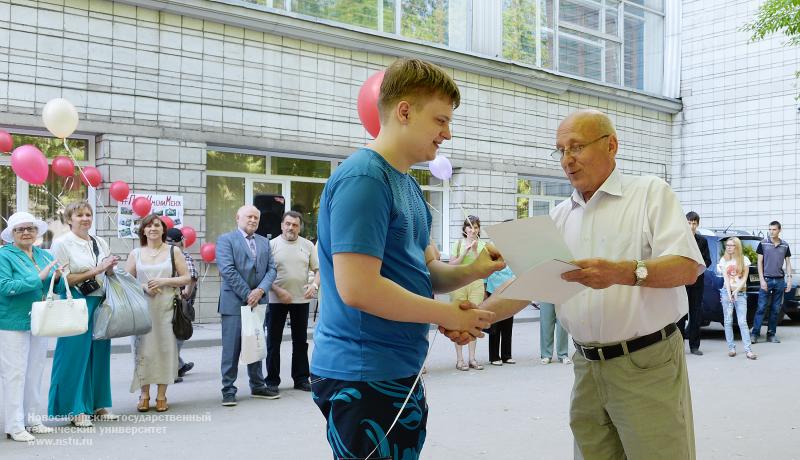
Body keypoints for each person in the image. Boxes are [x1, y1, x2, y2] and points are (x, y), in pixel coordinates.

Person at [470, 110, 706, 459]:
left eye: (576, 147)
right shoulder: (561, 215)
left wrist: (622, 272)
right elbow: (529, 285)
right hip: (586, 367)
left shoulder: (649, 193)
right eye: (560, 150)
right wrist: (472, 317)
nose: (567, 160)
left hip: (646, 363)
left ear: (611, 145)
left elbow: (687, 268)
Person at [310, 58, 501, 460]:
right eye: (441, 120)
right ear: (404, 111)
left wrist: (475, 269)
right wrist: (447, 315)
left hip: (395, 367)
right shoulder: (364, 178)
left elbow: (426, 270)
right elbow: (358, 288)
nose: (447, 134)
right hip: (363, 373)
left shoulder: (408, 186)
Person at [49, 200, 120, 427]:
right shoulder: (61, 244)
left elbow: (109, 273)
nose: (85, 218)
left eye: (88, 214)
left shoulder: (100, 241)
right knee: (73, 356)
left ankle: (98, 405)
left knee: (100, 355)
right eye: (79, 215)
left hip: (100, 301)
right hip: (76, 302)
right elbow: (60, 280)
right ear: (69, 219)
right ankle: (75, 408)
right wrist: (96, 270)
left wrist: (109, 268)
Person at [0, 212, 61, 441]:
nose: (26, 232)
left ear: (37, 231)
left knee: (35, 372)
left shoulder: (43, 254)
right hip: (12, 321)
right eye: (20, 229)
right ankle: (15, 426)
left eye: (30, 228)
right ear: (12, 234)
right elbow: (4, 286)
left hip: (40, 319)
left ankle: (33, 419)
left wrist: (55, 278)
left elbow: (49, 283)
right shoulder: (4, 255)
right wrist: (39, 277)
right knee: (14, 373)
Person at [125, 215, 191, 412]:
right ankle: (144, 395)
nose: (153, 228)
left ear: (163, 230)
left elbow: (186, 278)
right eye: (148, 226)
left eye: (157, 225)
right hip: (142, 308)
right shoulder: (135, 253)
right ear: (143, 231)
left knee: (165, 350)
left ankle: (162, 395)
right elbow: (126, 282)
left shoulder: (174, 251)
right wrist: (144, 286)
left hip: (166, 308)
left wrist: (164, 281)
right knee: (143, 350)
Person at [216, 205, 279, 406]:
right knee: (231, 348)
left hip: (258, 301)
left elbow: (272, 269)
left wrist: (260, 291)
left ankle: (258, 386)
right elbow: (227, 269)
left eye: (256, 218)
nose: (253, 220)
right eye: (249, 216)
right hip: (234, 302)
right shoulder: (226, 240)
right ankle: (228, 389)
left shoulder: (264, 242)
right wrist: (247, 294)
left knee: (255, 344)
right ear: (238, 218)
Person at [266, 211, 319, 393]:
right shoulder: (271, 245)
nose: (291, 228)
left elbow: (318, 270)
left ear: (299, 227)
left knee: (300, 341)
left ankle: (301, 379)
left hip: (301, 300)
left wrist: (314, 285)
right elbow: (264, 274)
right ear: (282, 225)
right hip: (276, 300)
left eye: (295, 225)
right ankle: (272, 381)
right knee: (273, 342)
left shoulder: (307, 245)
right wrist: (277, 291)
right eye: (288, 224)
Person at [449, 215, 486, 371]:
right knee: (459, 322)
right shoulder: (457, 244)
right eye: (470, 227)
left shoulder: (483, 244)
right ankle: (460, 360)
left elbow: (483, 268)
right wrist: (465, 253)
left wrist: (476, 251)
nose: (473, 230)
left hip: (476, 284)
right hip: (459, 284)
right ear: (465, 229)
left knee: (473, 321)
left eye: (476, 227)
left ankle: (472, 358)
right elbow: (451, 264)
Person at [751, 221, 792, 343]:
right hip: (767, 280)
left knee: (775, 309)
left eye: (774, 229)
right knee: (761, 307)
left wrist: (789, 280)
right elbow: (759, 263)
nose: (771, 232)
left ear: (779, 230)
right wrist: (762, 280)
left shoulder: (785, 245)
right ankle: (755, 334)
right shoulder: (763, 243)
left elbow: (788, 263)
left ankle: (771, 334)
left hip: (779, 280)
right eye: (770, 229)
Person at [166, 228, 197, 383]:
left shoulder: (163, 254)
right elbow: (192, 278)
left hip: (169, 301)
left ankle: (178, 365)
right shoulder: (183, 255)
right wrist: (187, 293)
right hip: (178, 302)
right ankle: (175, 369)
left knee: (172, 334)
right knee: (178, 333)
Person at [717, 237, 756, 360]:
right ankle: (731, 348)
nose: (728, 247)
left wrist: (736, 291)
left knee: (742, 322)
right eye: (727, 245)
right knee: (727, 322)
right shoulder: (724, 260)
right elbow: (726, 279)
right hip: (726, 293)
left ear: (737, 247)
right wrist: (729, 294)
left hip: (741, 293)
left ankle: (748, 350)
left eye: (731, 245)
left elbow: (744, 278)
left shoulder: (744, 260)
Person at [680, 212, 711, 355]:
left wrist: (696, 269)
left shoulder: (702, 241)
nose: (692, 226)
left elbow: (707, 261)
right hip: (681, 283)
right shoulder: (679, 239)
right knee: (680, 314)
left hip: (697, 282)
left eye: (694, 223)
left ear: (698, 224)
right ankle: (679, 346)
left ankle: (694, 346)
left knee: (695, 313)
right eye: (689, 223)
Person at [485, 264, 515, 366]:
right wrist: (484, 292)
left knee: (508, 325)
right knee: (494, 326)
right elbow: (485, 274)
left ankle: (506, 356)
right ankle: (494, 357)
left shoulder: (509, 256)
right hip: (493, 291)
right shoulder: (491, 251)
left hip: (509, 291)